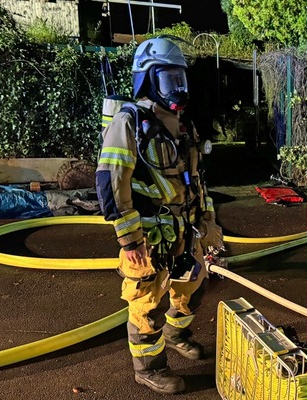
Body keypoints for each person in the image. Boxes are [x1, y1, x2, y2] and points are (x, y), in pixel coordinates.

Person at [95, 37, 223, 395]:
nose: (178, 88)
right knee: (146, 306)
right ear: (148, 80)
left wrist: (208, 221)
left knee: (192, 289)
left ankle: (177, 333)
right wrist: (129, 239)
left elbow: (197, 180)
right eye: (169, 79)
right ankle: (149, 368)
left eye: (180, 78)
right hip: (148, 239)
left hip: (186, 232)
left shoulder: (184, 126)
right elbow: (111, 181)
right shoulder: (129, 122)